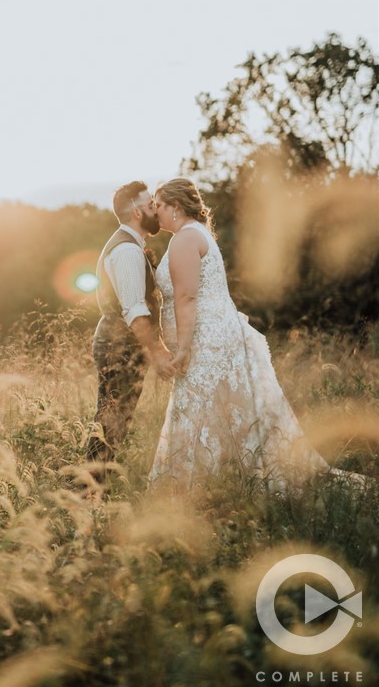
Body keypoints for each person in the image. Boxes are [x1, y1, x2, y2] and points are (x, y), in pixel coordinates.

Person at [147, 177, 361, 491]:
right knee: (227, 408)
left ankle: (195, 487)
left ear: (176, 207)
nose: (156, 212)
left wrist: (183, 347)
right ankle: (230, 481)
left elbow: (187, 297)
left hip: (205, 340)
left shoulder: (184, 239)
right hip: (219, 334)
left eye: (159, 205)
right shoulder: (196, 233)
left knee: (198, 408)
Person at [88, 181, 175, 468]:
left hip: (120, 344)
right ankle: (86, 493)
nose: (155, 210)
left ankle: (89, 492)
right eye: (151, 205)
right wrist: (159, 352)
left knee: (112, 423)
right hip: (119, 347)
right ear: (137, 212)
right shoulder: (126, 251)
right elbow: (135, 312)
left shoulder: (128, 245)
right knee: (110, 424)